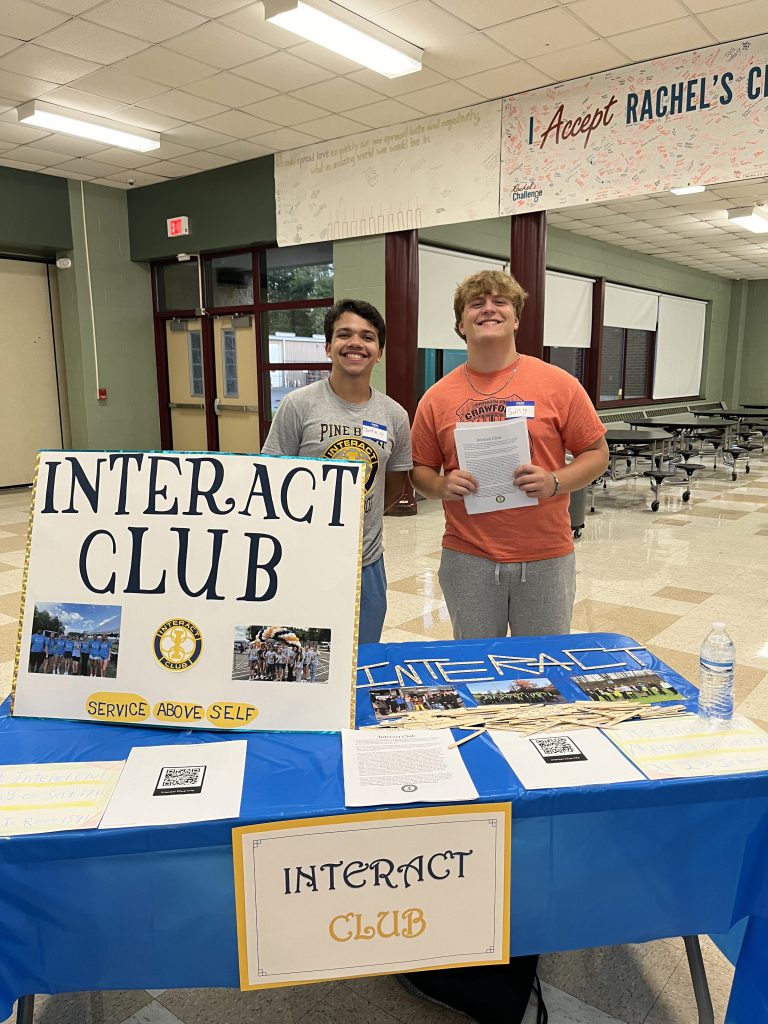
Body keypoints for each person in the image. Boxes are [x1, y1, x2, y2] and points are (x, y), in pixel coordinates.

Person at [411, 269, 608, 642]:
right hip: (468, 556)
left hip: (546, 555)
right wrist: (440, 484)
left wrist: (555, 481)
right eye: (476, 303)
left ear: (516, 319)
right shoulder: (436, 397)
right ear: (460, 323)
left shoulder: (559, 384)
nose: (489, 309)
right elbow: (420, 470)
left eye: (500, 301)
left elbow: (596, 453)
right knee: (476, 667)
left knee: (543, 668)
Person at [262, 298, 413, 645]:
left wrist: (357, 518)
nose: (356, 343)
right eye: (345, 334)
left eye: (368, 337)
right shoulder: (298, 405)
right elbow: (272, 476)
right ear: (329, 347)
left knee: (363, 655)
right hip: (303, 560)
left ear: (379, 352)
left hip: (366, 561)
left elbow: (393, 484)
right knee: (304, 652)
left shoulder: (394, 415)